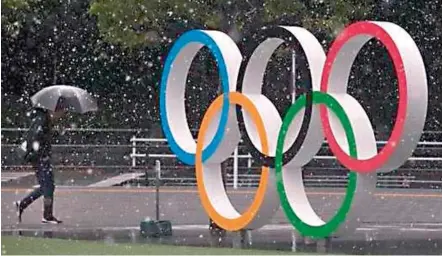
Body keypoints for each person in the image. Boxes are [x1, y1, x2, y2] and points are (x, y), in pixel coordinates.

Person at [15, 104, 65, 224]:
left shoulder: (44, 120)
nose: (61, 116)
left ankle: (24, 205)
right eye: (61, 113)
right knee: (47, 186)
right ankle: (46, 215)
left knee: (48, 186)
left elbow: (41, 137)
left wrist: (54, 132)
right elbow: (36, 137)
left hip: (42, 157)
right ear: (53, 111)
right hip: (40, 158)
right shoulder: (42, 120)